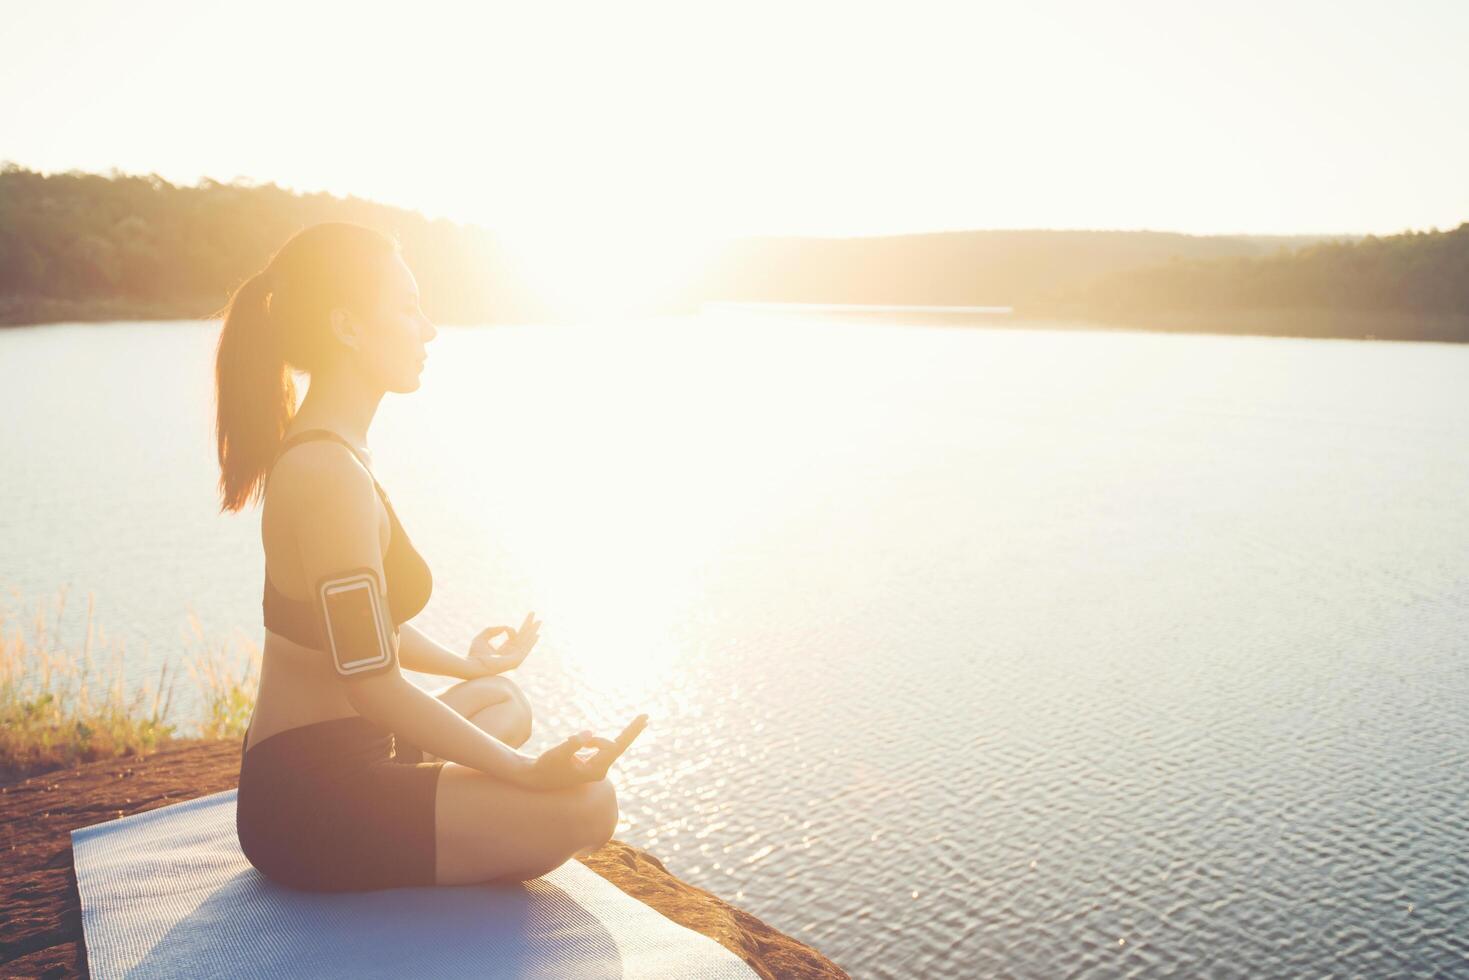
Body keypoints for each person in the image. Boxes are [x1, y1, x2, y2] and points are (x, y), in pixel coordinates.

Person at [213, 221, 647, 891]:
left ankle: (456, 787)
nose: (429, 330)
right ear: (348, 327)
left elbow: (356, 637)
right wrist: (528, 774)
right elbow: (373, 684)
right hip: (309, 801)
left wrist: (466, 664)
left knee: (500, 695)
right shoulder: (329, 475)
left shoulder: (334, 452)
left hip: (349, 752)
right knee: (591, 806)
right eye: (408, 307)